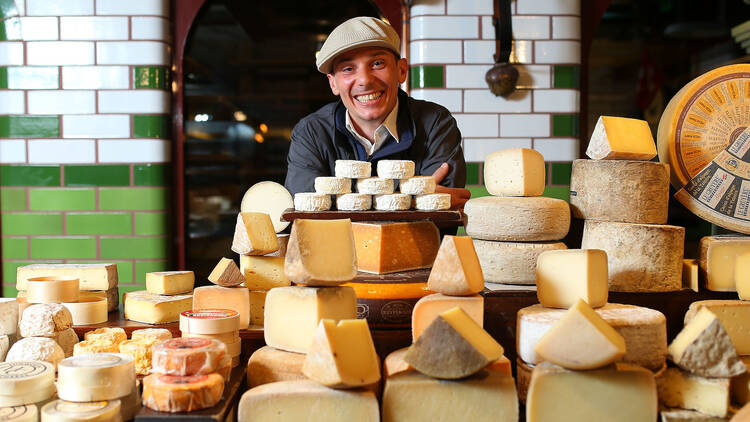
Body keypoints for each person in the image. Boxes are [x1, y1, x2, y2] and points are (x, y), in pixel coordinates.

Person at [284, 16, 471, 210]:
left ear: (401, 70)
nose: (365, 80)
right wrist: (415, 203)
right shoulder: (311, 132)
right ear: (333, 83)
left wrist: (335, 208)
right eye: (348, 69)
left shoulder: (435, 123)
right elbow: (307, 217)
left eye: (377, 63)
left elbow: (443, 219)